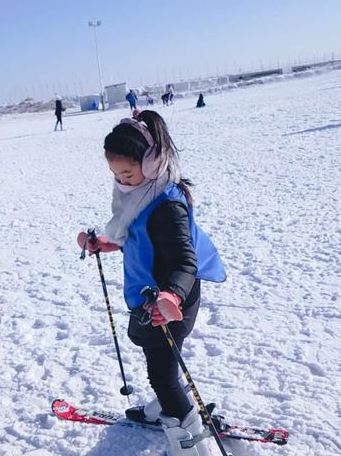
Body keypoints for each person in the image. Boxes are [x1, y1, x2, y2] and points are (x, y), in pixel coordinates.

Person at [77, 110, 226, 456]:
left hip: (171, 301)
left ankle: (190, 442)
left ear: (153, 161)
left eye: (128, 173)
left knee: (160, 371)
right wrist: (106, 243)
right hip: (152, 299)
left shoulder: (167, 206)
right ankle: (166, 401)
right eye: (116, 175)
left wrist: (171, 296)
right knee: (157, 358)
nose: (122, 182)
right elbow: (137, 237)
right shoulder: (141, 195)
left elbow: (184, 262)